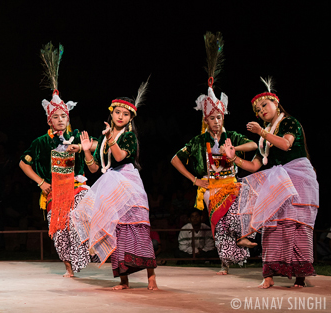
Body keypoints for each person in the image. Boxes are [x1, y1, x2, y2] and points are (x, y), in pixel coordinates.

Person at [170, 32, 258, 274]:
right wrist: (193, 179)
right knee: (218, 225)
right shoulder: (199, 141)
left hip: (232, 183)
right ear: (205, 119)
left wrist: (234, 150)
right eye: (212, 118)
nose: (216, 121)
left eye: (219, 117)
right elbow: (174, 159)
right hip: (211, 187)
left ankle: (241, 239)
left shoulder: (232, 137)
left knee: (244, 204)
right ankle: (224, 263)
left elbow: (254, 146)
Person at [222, 77, 318, 289]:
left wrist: (262, 132)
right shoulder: (264, 139)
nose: (261, 110)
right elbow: (255, 166)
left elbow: (285, 144)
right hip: (276, 180)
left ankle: (300, 276)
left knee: (296, 225)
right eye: (257, 109)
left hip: (298, 178)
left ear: (276, 103)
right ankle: (269, 275)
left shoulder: (289, 122)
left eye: (264, 105)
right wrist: (232, 158)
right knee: (271, 225)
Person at [71, 79, 159, 290]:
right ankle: (124, 280)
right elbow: (93, 170)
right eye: (117, 112)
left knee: (137, 228)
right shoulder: (103, 139)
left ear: (130, 118)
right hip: (110, 182)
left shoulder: (129, 137)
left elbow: (119, 157)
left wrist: (110, 138)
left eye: (125, 114)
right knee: (117, 230)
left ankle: (152, 277)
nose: (120, 116)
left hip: (128, 183)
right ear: (111, 113)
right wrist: (86, 150)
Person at [18, 42, 92, 278]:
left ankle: (86, 255)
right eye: (56, 117)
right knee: (60, 231)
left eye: (64, 116)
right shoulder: (41, 142)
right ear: (49, 120)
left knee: (80, 216)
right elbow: (23, 162)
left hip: (77, 187)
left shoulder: (77, 136)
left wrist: (83, 147)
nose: (60, 120)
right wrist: (41, 182)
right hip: (52, 191)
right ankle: (69, 268)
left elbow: (96, 146)